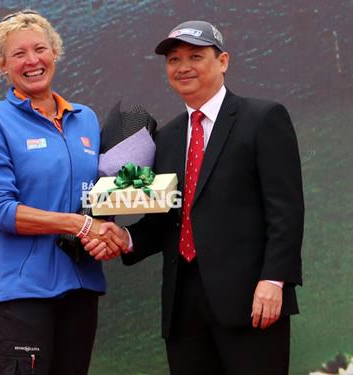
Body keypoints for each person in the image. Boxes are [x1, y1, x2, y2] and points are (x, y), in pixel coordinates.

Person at [84, 20, 304, 374]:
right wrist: (123, 237)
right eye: (173, 59)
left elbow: (286, 210)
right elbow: (164, 220)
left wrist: (274, 280)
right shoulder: (166, 138)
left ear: (223, 61)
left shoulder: (263, 118)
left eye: (195, 56)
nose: (183, 67)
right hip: (183, 308)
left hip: (252, 300)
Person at [0, 10, 124, 375]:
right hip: (24, 295)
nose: (32, 60)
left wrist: (108, 231)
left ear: (55, 53)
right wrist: (79, 225)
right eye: (19, 54)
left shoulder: (85, 118)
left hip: (82, 288)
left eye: (40, 48)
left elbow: (99, 196)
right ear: (2, 64)